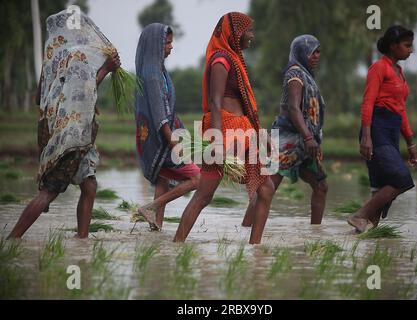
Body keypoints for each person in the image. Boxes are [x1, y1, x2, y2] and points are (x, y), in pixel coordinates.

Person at [7, 10, 121, 239]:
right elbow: (83, 93)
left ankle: (82, 241)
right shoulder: (76, 55)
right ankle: (12, 240)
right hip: (70, 135)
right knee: (49, 191)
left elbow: (40, 97)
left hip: (68, 133)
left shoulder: (52, 56)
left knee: (89, 185)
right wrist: (106, 69)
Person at [173, 12, 275, 244]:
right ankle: (177, 244)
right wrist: (217, 142)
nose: (251, 35)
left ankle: (255, 249)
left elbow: (246, 106)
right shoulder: (221, 60)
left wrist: (261, 134)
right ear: (235, 33)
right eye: (248, 31)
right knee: (204, 195)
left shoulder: (234, 60)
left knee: (266, 188)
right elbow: (215, 102)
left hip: (243, 132)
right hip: (226, 133)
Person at [244, 35, 328, 226]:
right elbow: (293, 108)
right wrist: (308, 136)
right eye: (313, 51)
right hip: (286, 141)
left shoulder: (306, 75)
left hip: (304, 144)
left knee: (321, 186)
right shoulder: (295, 74)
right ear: (301, 52)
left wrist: (308, 138)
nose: (317, 55)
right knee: (267, 187)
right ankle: (245, 230)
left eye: (318, 51)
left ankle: (316, 235)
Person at [347, 25, 417, 233]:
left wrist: (410, 142)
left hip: (391, 130)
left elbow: (401, 110)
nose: (410, 50)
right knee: (402, 179)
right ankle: (359, 215)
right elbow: (368, 102)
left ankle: (363, 238)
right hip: (376, 129)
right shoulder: (379, 68)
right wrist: (367, 136)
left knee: (380, 186)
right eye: (406, 46)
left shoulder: (399, 72)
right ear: (393, 45)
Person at [135, 23, 200, 231]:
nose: (171, 47)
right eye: (167, 42)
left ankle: (156, 229)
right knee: (197, 178)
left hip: (161, 139)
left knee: (163, 181)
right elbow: (160, 116)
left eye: (171, 42)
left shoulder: (157, 70)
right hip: (163, 140)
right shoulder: (153, 74)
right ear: (156, 45)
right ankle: (151, 207)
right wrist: (175, 144)